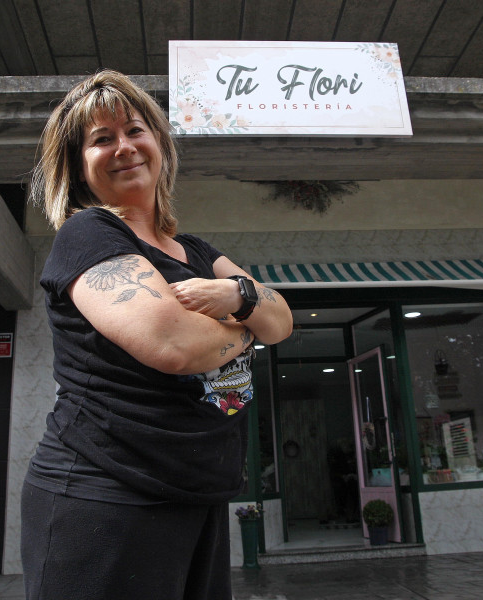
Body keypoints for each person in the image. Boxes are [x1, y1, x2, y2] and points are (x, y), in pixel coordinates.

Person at [21, 70, 293, 600]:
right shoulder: (90, 233)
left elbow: (282, 320)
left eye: (135, 130)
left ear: (160, 144)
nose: (124, 147)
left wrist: (238, 297)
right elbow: (174, 346)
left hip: (197, 489)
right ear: (78, 167)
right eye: (101, 139)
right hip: (107, 491)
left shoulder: (193, 249)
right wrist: (249, 321)